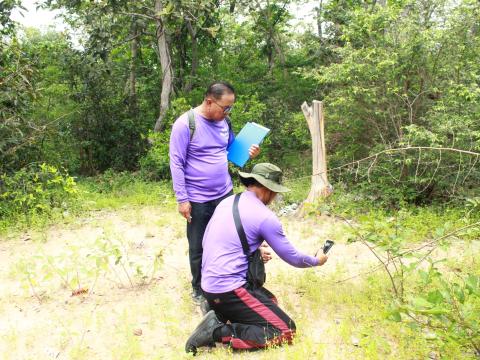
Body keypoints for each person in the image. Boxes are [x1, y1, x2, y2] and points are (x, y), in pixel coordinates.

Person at [185, 163, 329, 355]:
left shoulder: (228, 202)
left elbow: (214, 240)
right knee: (285, 330)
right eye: (275, 192)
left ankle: (216, 310)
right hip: (228, 289)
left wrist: (253, 251)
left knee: (270, 301)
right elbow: (292, 257)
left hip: (208, 285)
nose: (275, 197)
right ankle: (217, 331)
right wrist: (317, 260)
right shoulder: (265, 217)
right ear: (268, 189)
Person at [169, 81, 260, 305]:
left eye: (230, 108)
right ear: (209, 102)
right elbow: (176, 163)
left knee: (229, 241)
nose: (227, 112)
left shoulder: (224, 122)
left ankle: (230, 281)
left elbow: (232, 154)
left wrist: (249, 153)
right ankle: (199, 290)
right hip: (198, 199)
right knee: (198, 245)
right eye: (225, 107)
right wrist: (182, 199)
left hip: (224, 194)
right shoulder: (185, 124)